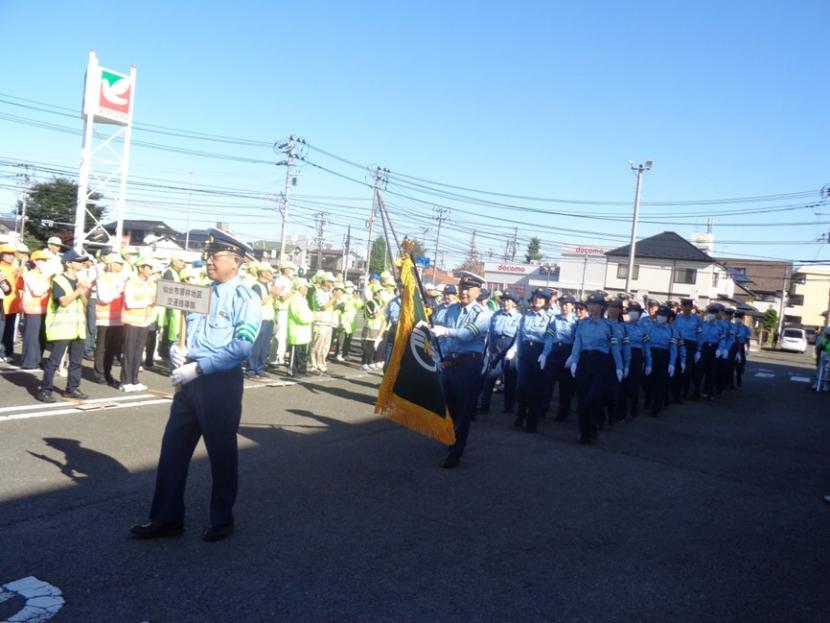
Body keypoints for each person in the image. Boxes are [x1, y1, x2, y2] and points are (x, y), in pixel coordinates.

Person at [131, 228, 261, 543]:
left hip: (219, 382)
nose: (210, 261)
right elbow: (191, 336)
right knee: (173, 450)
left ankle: (221, 518)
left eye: (215, 256)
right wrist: (180, 352)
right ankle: (166, 518)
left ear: (236, 261)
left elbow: (242, 348)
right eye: (209, 255)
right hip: (190, 382)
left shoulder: (247, 297)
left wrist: (200, 367)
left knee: (221, 454)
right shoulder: (201, 292)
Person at [429, 272, 493, 468]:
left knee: (464, 410)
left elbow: (466, 335)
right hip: (449, 364)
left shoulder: (483, 314)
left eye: (468, 289)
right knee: (449, 408)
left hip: (468, 365)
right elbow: (442, 337)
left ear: (478, 292)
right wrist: (441, 357)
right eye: (461, 288)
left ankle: (455, 452)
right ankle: (450, 440)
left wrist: (445, 331)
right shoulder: (451, 310)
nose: (464, 292)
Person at [36, 250, 92, 403]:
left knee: (76, 362)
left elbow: (86, 304)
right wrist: (79, 289)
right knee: (54, 361)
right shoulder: (59, 280)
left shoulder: (80, 280)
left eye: (82, 261)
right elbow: (64, 301)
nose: (81, 263)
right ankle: (45, 390)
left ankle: (72, 388)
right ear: (68, 263)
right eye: (78, 261)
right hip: (62, 328)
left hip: (78, 329)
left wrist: (81, 292)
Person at [569, 292, 623, 444]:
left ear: (601, 307)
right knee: (582, 400)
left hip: (601, 363)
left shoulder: (609, 326)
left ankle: (594, 426)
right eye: (589, 305)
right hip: (584, 361)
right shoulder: (582, 324)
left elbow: (614, 348)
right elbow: (577, 344)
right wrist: (574, 361)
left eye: (595, 304)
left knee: (592, 398)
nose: (591, 307)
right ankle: (585, 433)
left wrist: (619, 366)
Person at [510, 288, 552, 432]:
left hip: (539, 353)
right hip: (525, 352)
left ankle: (532, 421)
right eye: (535, 297)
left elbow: (549, 338)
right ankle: (520, 414)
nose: (537, 300)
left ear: (546, 302)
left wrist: (545, 353)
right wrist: (515, 350)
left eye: (541, 298)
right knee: (521, 387)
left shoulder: (549, 318)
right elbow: (520, 335)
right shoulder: (525, 316)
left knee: (535, 390)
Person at [478, 290, 521, 414]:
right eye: (504, 300)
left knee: (510, 379)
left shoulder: (519, 317)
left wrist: (513, 350)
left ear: (514, 303)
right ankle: (484, 404)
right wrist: (489, 348)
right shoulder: (497, 315)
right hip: (497, 348)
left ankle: (509, 407)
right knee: (490, 376)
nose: (505, 303)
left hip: (510, 348)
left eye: (509, 300)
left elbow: (519, 336)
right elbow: (491, 332)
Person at [120, 257, 157, 392]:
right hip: (132, 321)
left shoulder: (152, 284)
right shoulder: (131, 283)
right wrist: (147, 302)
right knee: (129, 351)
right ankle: (125, 381)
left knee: (139, 352)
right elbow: (129, 303)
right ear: (141, 268)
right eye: (149, 267)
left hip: (145, 322)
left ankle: (134, 379)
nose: (151, 271)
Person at [540, 294, 577, 421]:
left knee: (565, 387)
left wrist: (573, 356)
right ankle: (543, 409)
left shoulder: (577, 322)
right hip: (554, 353)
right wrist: (545, 353)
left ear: (573, 306)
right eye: (562, 304)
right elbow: (549, 338)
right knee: (547, 384)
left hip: (568, 354)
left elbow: (578, 341)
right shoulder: (554, 319)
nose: (564, 307)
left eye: (567, 304)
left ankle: (563, 412)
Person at [93, 253, 126, 387]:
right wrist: (117, 292)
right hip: (105, 318)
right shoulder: (103, 278)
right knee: (102, 347)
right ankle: (99, 373)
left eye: (121, 264)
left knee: (112, 348)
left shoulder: (122, 279)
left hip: (119, 319)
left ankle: (107, 372)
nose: (120, 266)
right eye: (117, 263)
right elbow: (103, 298)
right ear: (110, 264)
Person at [20, 250, 52, 369]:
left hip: (44, 310)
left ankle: (38, 359)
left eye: (45, 260)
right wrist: (48, 281)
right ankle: (29, 361)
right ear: (35, 261)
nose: (45, 263)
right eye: (42, 260)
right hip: (32, 310)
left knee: (41, 337)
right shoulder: (29, 275)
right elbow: (37, 291)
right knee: (32, 337)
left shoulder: (43, 275)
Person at [621, 301, 651, 419]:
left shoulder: (643, 329)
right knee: (622, 384)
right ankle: (621, 411)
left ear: (639, 314)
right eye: (631, 311)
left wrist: (649, 363)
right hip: (623, 354)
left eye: (636, 312)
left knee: (634, 385)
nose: (633, 314)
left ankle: (634, 409)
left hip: (637, 356)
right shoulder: (623, 326)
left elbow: (647, 347)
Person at [247, 262, 275, 377]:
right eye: (269, 272)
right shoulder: (256, 285)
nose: (271, 274)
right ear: (263, 272)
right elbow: (258, 302)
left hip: (269, 318)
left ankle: (260, 367)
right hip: (260, 319)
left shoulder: (267, 285)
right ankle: (252, 368)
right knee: (256, 344)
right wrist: (272, 294)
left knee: (265, 345)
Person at [672, 298, 702, 401]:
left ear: (691, 307)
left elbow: (700, 335)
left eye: (688, 305)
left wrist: (699, 349)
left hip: (690, 345)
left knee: (687, 370)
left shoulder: (697, 320)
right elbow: (673, 331)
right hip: (678, 343)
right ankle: (676, 394)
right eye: (684, 305)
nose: (685, 307)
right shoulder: (677, 318)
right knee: (677, 368)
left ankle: (684, 392)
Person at [309, 272, 339, 373]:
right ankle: (314, 365)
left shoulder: (329, 293)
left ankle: (322, 364)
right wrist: (334, 298)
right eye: (330, 281)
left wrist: (335, 299)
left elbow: (333, 306)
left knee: (325, 347)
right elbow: (323, 306)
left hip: (328, 322)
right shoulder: (318, 292)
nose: (332, 283)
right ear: (325, 282)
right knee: (317, 345)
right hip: (320, 323)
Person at [0, 243, 23, 362]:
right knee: (1, 329)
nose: (10, 256)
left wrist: (20, 275)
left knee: (9, 330)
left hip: (13, 304)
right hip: (2, 303)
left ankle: (8, 353)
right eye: (7, 254)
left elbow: (20, 286)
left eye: (12, 254)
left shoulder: (15, 268)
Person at [287, 277, 313, 377]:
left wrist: (310, 318)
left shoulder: (303, 299)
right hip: (296, 330)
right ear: (299, 288)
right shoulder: (294, 298)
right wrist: (309, 319)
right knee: (295, 352)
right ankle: (292, 370)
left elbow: (308, 312)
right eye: (305, 287)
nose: (307, 289)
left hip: (304, 330)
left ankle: (302, 370)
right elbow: (297, 314)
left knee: (303, 352)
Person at [732, 311, 752, 387]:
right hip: (732, 347)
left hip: (741, 346)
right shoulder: (732, 326)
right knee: (730, 365)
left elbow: (747, 339)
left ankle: (739, 376)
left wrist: (748, 349)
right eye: (737, 317)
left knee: (741, 364)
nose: (738, 319)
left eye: (740, 317)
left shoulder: (746, 328)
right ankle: (730, 382)